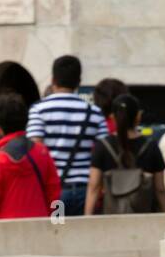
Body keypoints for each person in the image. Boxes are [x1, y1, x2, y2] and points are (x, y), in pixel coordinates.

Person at [26, 55, 107, 216]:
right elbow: (103, 153)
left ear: (53, 79)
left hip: (55, 193)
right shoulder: (95, 113)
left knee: (57, 235)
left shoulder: (39, 110)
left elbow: (35, 151)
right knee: (83, 237)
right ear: (79, 81)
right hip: (87, 191)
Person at [0, 91, 60, 220]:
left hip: (5, 232)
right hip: (41, 230)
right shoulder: (42, 153)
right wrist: (57, 224)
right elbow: (55, 193)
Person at [85, 92, 165, 215]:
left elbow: (94, 186)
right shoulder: (151, 147)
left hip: (111, 219)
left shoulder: (102, 146)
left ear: (113, 117)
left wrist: (87, 217)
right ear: (138, 117)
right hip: (143, 218)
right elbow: (160, 189)